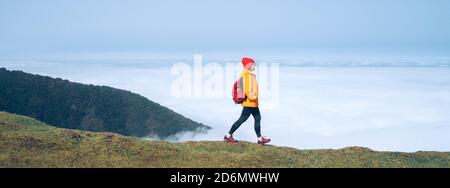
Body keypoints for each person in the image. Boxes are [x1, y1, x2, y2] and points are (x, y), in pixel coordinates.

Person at [224, 57, 271, 144]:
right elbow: (248, 90)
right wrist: (254, 97)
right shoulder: (247, 76)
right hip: (249, 103)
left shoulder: (248, 75)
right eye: (253, 64)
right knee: (242, 120)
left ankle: (260, 139)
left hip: (252, 103)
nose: (254, 66)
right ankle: (228, 136)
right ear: (248, 65)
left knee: (257, 118)